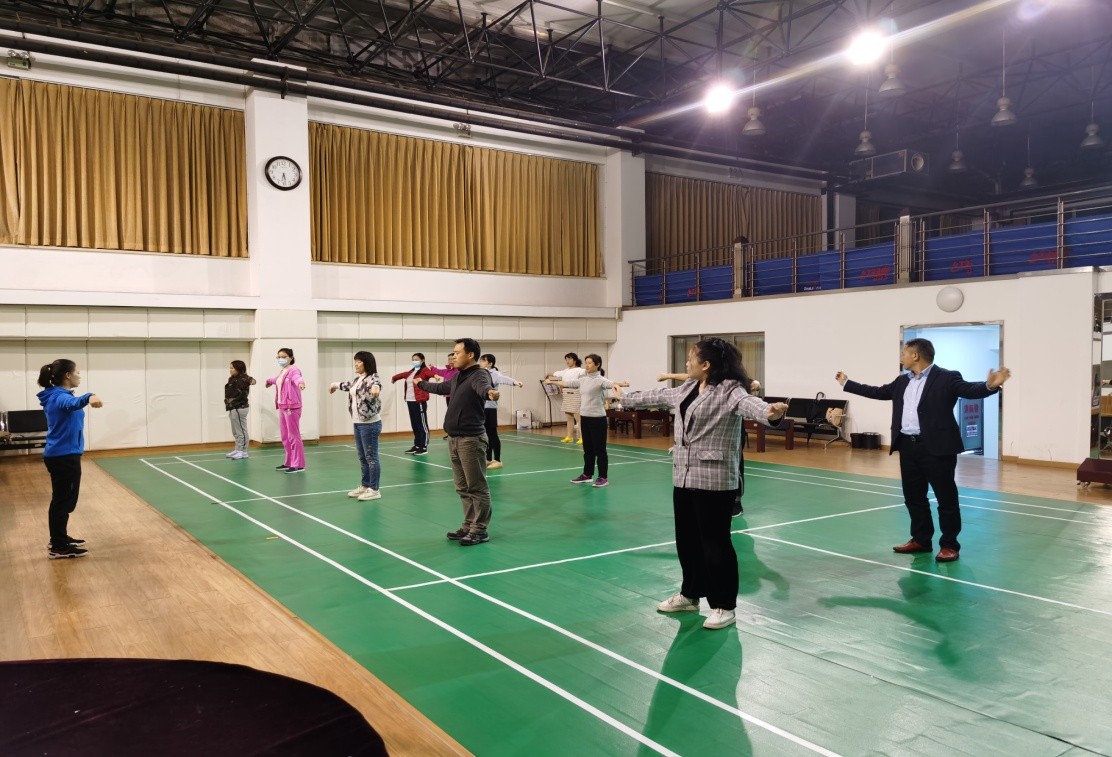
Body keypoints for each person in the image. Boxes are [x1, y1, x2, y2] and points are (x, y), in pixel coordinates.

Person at [623, 338, 787, 630]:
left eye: (691, 358)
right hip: (684, 474)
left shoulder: (730, 390)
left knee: (716, 544)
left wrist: (770, 413)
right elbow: (659, 395)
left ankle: (724, 605)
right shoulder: (688, 387)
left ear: (706, 364)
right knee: (687, 540)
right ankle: (690, 594)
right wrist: (624, 397)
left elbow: (752, 406)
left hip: (714, 479)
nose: (687, 363)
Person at [836, 337, 1012, 563]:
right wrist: (847, 383)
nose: (901, 357)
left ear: (915, 355)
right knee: (913, 497)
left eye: (904, 353)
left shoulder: (947, 377)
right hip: (908, 446)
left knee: (946, 499)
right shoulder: (902, 381)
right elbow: (878, 392)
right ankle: (921, 539)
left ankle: (949, 545)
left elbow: (969, 389)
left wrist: (990, 386)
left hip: (937, 447)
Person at [417, 338, 500, 546]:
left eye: (457, 352)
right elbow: (441, 387)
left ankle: (479, 530)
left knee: (477, 487)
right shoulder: (458, 376)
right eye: (453, 353)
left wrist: (490, 393)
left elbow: (484, 387)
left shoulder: (479, 374)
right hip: (454, 439)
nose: (453, 356)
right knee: (462, 487)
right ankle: (468, 525)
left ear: (470, 355)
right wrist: (421, 384)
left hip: (471, 440)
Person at [659, 372, 760, 516]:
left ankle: (736, 502)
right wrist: (669, 375)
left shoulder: (732, 381)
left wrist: (753, 385)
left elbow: (755, 385)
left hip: (731, 432)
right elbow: (689, 377)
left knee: (736, 466)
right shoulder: (703, 381)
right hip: (710, 435)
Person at [36, 358, 104, 559]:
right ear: (67, 375)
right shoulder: (59, 397)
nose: (79, 376)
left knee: (64, 500)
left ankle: (60, 538)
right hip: (64, 457)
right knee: (62, 501)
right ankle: (58, 546)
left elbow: (71, 403)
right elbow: (72, 404)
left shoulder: (56, 395)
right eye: (77, 372)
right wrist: (89, 396)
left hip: (63, 455)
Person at [546, 354, 628, 487]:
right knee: (588, 450)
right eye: (586, 363)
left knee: (600, 450)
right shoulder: (582, 379)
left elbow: (613, 385)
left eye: (590, 363)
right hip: (585, 418)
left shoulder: (601, 380)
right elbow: (567, 383)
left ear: (598, 365)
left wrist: (621, 389)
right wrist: (552, 382)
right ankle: (587, 475)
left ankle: (603, 477)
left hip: (598, 419)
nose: (587, 365)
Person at [330, 351, 384, 501]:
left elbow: (376, 385)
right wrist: (334, 385)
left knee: (371, 457)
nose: (356, 364)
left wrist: (376, 389)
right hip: (358, 423)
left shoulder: (373, 377)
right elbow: (347, 385)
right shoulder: (358, 379)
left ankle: (374, 489)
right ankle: (365, 485)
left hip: (370, 424)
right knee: (362, 457)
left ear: (367, 363)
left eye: (359, 361)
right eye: (355, 361)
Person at [478, 354, 523, 470]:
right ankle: (488, 459)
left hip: (490, 408)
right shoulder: (481, 373)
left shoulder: (495, 374)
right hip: (481, 408)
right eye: (480, 360)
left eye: (483, 361)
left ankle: (497, 460)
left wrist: (516, 382)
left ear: (490, 363)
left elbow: (505, 379)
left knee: (492, 434)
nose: (480, 362)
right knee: (485, 435)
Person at [265, 347, 306, 473]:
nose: (280, 359)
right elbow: (277, 380)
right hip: (282, 406)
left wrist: (301, 383)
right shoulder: (283, 371)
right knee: (285, 437)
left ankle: (298, 464)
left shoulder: (294, 370)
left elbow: (297, 378)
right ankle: (289, 462)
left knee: (293, 436)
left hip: (292, 407)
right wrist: (269, 381)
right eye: (279, 357)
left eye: (283, 357)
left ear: (291, 358)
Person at [391, 353, 438, 455]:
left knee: (422, 424)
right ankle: (417, 445)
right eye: (413, 359)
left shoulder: (424, 371)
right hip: (410, 401)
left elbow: (430, 374)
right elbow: (403, 374)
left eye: (416, 359)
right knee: (415, 424)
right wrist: (394, 378)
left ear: (422, 360)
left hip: (419, 401)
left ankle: (423, 447)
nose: (414, 361)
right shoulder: (412, 372)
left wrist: (435, 375)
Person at [545, 353, 586, 444]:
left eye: (569, 359)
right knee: (569, 417)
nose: (567, 361)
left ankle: (582, 438)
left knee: (578, 418)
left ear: (575, 360)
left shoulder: (580, 370)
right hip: (566, 394)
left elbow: (588, 373)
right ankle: (569, 437)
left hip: (575, 393)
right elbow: (555, 373)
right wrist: (547, 374)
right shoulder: (565, 371)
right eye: (566, 359)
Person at [224, 360, 256, 459]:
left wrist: (250, 380)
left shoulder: (244, 378)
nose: (230, 370)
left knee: (241, 430)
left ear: (238, 369)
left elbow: (253, 381)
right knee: (235, 431)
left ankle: (243, 451)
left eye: (232, 368)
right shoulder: (232, 379)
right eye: (230, 368)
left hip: (240, 407)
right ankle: (238, 449)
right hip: (232, 407)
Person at [429, 353, 459, 440]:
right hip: (448, 396)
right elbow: (438, 371)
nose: (450, 361)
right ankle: (451, 433)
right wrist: (432, 367)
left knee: (456, 414)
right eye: (449, 359)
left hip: (456, 396)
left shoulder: (459, 371)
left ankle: (457, 432)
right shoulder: (446, 371)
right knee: (450, 414)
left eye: (452, 359)